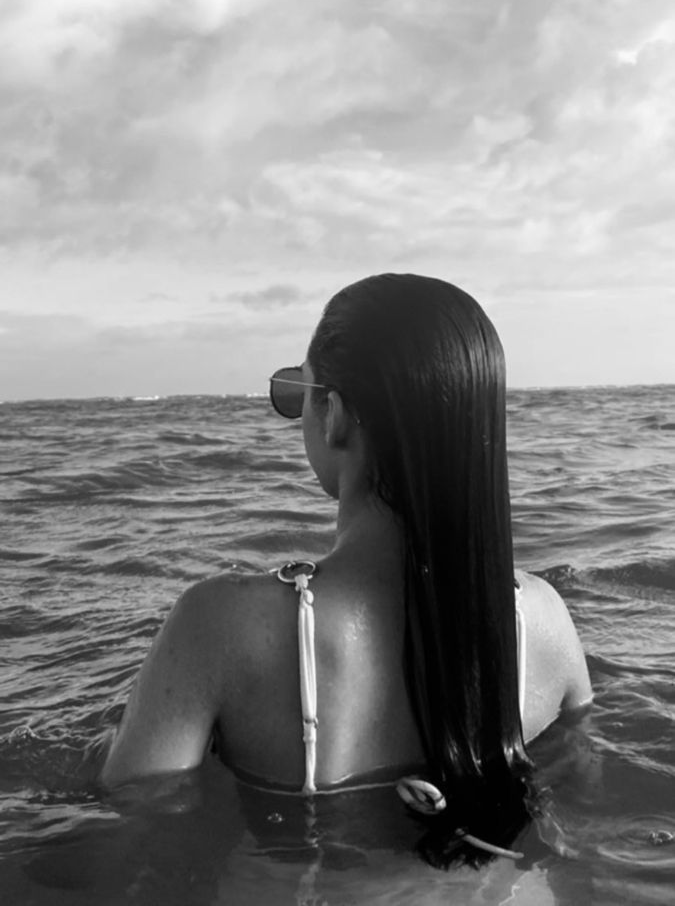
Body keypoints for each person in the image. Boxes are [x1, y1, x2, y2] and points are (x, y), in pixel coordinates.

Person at [100, 273, 591, 866]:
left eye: (299, 394)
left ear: (333, 413)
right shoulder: (546, 622)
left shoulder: (219, 627)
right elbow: (580, 796)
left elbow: (130, 834)